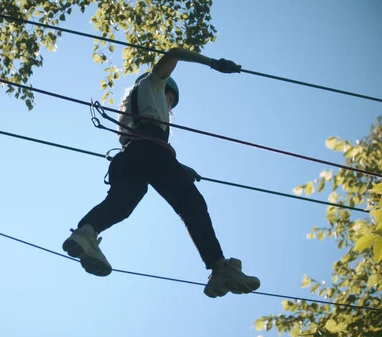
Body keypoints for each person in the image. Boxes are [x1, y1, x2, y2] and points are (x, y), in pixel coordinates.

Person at [62, 47, 260, 298]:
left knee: (121, 203)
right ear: (167, 90)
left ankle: (86, 233)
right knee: (192, 205)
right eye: (171, 99)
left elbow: (144, 145)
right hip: (152, 152)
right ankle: (219, 267)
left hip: (130, 157)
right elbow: (174, 52)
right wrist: (214, 63)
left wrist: (179, 167)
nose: (170, 105)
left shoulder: (131, 108)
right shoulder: (153, 83)